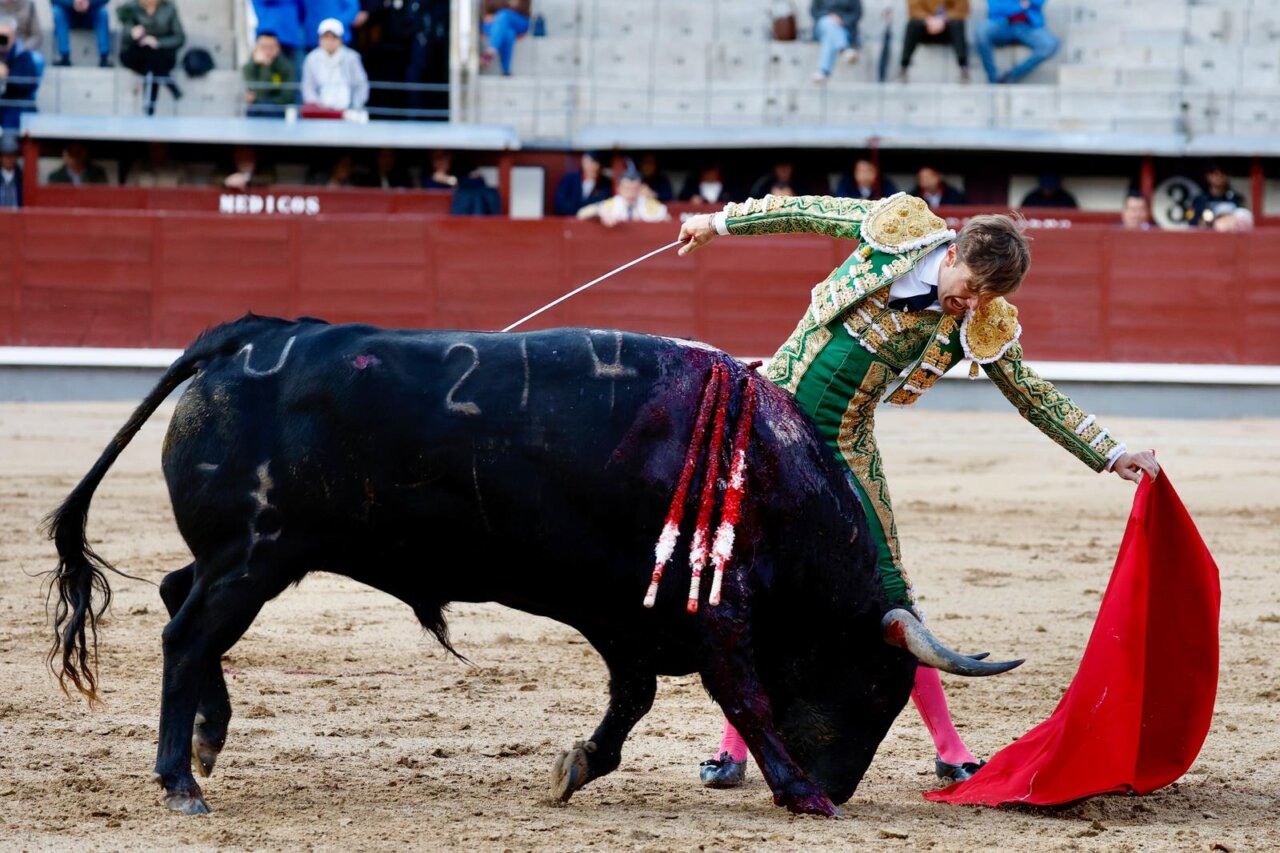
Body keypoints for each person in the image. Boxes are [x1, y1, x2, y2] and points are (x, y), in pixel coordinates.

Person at [676, 191, 1160, 790]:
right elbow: (798, 212)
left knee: (889, 591)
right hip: (769, 420)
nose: (972, 302)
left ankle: (951, 748)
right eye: (971, 285)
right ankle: (736, 748)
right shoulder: (895, 228)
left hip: (845, 445)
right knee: (752, 579)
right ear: (952, 252)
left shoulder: (980, 322)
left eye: (988, 296)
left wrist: (1111, 452)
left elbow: (1033, 395)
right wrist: (714, 223)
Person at [117, 0, 186, 116]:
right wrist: (132, 32)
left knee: (152, 57)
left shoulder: (169, 8)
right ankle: (169, 84)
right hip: (135, 54)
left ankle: (148, 110)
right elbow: (125, 34)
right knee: (150, 55)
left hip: (160, 55)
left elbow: (179, 38)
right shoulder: (131, 7)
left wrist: (158, 42)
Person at [975, 0, 1058, 84]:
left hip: (1028, 26)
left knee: (1050, 44)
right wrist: (1020, 5)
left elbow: (1039, 2)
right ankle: (994, 79)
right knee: (981, 32)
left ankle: (1010, 76)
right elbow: (995, 8)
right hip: (1002, 24)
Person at [301, 18, 369, 111]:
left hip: (348, 111)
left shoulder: (352, 58)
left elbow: (361, 85)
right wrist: (318, 107)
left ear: (340, 39)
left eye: (334, 37)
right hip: (320, 113)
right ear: (320, 39)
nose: (330, 41)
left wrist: (354, 107)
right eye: (326, 37)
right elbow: (308, 88)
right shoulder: (311, 59)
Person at [900, 0, 969, 83]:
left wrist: (943, 20)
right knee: (913, 24)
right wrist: (929, 20)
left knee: (958, 24)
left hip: (947, 28)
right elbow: (913, 9)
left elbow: (961, 9)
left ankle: (963, 68)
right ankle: (904, 67)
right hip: (925, 28)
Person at [576, 167, 670, 226]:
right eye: (627, 188)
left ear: (641, 188)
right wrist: (600, 211)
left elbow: (668, 221)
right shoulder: (612, 204)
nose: (630, 193)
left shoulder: (650, 205)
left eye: (634, 189)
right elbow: (581, 213)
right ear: (619, 189)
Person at [0, 14, 41, 130]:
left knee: (9, 138)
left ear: (13, 36)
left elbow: (28, 85)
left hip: (15, 103)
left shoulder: (22, 55)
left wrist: (7, 75)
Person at [243, 31, 296, 117]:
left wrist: (262, 100)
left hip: (278, 112)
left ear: (278, 48)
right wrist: (265, 66)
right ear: (256, 48)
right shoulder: (249, 67)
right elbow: (254, 94)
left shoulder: (286, 67)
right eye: (263, 47)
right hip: (255, 112)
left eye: (271, 47)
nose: (267, 51)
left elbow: (287, 97)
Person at [810, 0, 860, 84]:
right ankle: (844, 49)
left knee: (829, 37)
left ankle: (823, 71)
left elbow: (857, 13)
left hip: (844, 29)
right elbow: (814, 11)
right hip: (823, 26)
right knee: (829, 23)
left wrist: (842, 21)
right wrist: (830, 16)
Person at [50, 0, 110, 67]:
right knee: (58, 12)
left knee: (102, 13)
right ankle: (64, 56)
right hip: (69, 16)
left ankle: (104, 57)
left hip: (91, 15)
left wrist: (89, 2)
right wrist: (73, 3)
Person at [1190, 162, 1246, 229]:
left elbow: (1244, 221)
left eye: (1222, 173)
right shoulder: (1200, 200)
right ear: (1208, 176)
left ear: (1228, 176)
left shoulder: (1236, 199)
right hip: (1207, 236)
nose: (1219, 176)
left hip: (1231, 236)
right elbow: (1193, 224)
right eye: (1214, 173)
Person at [480, 0, 530, 76]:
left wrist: (501, 9)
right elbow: (487, 7)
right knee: (508, 33)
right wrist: (509, 4)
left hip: (517, 20)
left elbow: (523, 7)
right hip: (494, 23)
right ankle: (506, 70)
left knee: (503, 15)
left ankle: (490, 52)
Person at [553, 151, 610, 216]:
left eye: (598, 163)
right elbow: (560, 204)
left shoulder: (605, 185)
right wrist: (581, 212)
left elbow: (603, 205)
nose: (596, 166)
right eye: (592, 162)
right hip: (567, 223)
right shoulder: (568, 180)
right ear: (584, 161)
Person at [251, 0, 304, 71]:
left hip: (288, 37)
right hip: (269, 36)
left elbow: (301, 10)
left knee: (287, 71)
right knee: (263, 65)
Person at [124, 141, 190, 186]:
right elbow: (129, 195)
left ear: (165, 148)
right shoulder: (137, 168)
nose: (156, 150)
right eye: (153, 147)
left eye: (159, 147)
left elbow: (187, 197)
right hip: (142, 205)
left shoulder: (179, 169)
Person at [0, 0, 42, 69]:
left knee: (37, 61)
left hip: (22, 49)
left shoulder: (28, 6)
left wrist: (22, 48)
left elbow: (37, 36)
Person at [0, 131, 21, 208]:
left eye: (12, 155)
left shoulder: (22, 179)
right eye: (6, 155)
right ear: (1, 157)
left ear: (16, 157)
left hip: (18, 218)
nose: (9, 159)